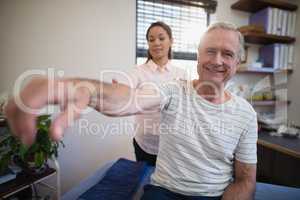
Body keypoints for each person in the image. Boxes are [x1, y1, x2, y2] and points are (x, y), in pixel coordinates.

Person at [5, 22, 257, 200]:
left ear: (238, 61)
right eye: (210, 51)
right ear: (198, 55)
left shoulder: (245, 114)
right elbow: (128, 98)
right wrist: (86, 89)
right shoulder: (172, 89)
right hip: (161, 182)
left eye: (227, 54)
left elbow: (245, 179)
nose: (217, 60)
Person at [116, 21, 186, 166]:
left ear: (171, 41)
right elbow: (125, 89)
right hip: (144, 145)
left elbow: (185, 106)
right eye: (151, 39)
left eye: (161, 38)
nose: (156, 43)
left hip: (172, 144)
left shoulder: (181, 73)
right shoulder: (138, 72)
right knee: (146, 183)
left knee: (167, 186)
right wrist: (119, 93)